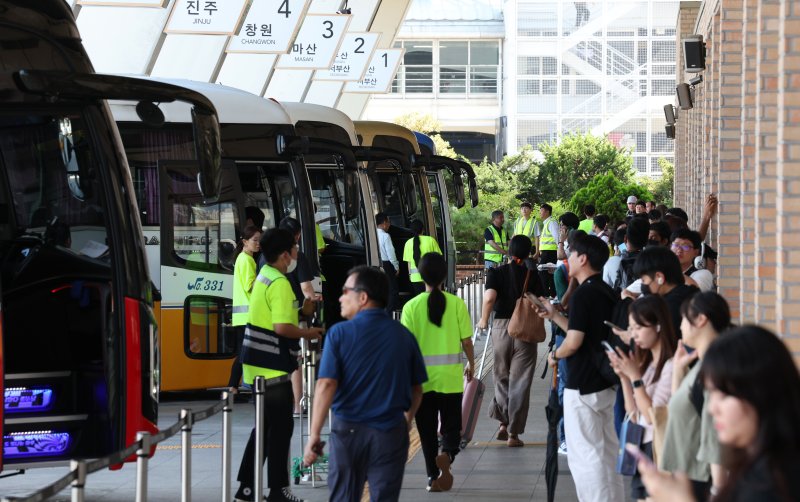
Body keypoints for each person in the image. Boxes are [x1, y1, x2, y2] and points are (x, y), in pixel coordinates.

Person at [303, 266, 427, 502]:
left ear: (362, 297)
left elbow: (326, 384)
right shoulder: (403, 335)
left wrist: (314, 435)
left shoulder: (339, 334)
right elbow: (417, 389)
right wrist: (406, 421)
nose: (340, 297)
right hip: (390, 432)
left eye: (345, 291)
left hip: (348, 433)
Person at [637, 325, 800, 502]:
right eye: (710, 394)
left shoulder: (771, 482)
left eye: (723, 395)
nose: (712, 408)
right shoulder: (758, 464)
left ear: (759, 392)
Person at [234, 228, 323, 502]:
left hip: (256, 363)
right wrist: (310, 332)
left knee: (264, 429)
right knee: (280, 429)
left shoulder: (265, 276)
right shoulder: (281, 283)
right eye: (295, 248)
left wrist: (303, 312)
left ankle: (247, 489)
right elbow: (282, 327)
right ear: (286, 254)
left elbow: (279, 317)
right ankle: (277, 490)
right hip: (272, 367)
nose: (297, 253)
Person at [538, 232, 625, 502]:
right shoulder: (605, 291)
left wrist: (555, 355)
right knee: (607, 452)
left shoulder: (583, 295)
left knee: (586, 456)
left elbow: (574, 342)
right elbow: (582, 332)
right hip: (604, 382)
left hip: (582, 385)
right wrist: (554, 316)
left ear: (583, 258)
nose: (567, 258)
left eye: (571, 253)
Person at [401, 253, 475, 492]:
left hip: (421, 382)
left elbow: (406, 347)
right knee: (452, 428)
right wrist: (471, 364)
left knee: (427, 431)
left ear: (421, 275)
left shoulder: (410, 307)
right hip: (450, 379)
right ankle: (448, 454)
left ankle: (433, 477)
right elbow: (466, 341)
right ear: (444, 275)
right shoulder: (456, 303)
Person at [659, 292, 730, 501]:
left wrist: (718, 490)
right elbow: (680, 408)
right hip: (689, 474)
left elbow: (714, 432)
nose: (680, 326)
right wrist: (679, 371)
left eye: (684, 319)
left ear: (701, 320)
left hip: (702, 480)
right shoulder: (703, 363)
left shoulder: (714, 368)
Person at [477, 235, 545, 447]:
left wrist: (483, 319)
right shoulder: (533, 274)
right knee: (521, 381)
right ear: (529, 252)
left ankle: (503, 424)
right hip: (524, 329)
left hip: (501, 328)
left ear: (509, 250)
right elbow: (542, 302)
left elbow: (489, 298)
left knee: (501, 375)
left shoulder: (496, 272)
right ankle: (514, 435)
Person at [608, 295, 677, 501]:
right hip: (642, 445)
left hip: (659, 450)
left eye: (639, 328)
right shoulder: (647, 362)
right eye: (631, 328)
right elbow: (635, 415)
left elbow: (652, 415)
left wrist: (635, 377)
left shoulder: (672, 366)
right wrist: (624, 378)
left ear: (657, 326)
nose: (634, 335)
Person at [279, 216, 320, 417]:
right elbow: (306, 288)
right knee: (295, 360)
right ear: (297, 235)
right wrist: (314, 300)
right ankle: (297, 406)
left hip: (269, 314)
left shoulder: (264, 257)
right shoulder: (297, 257)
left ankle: (279, 404)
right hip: (292, 314)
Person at [631, 246, 699, 333]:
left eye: (644, 280)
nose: (643, 285)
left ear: (659, 277)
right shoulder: (689, 294)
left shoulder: (669, 308)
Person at [228, 225, 262, 397]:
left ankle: (238, 385)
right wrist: (264, 276)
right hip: (247, 316)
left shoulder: (243, 258)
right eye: (255, 240)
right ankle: (234, 386)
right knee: (244, 352)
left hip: (242, 316)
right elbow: (251, 286)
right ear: (244, 242)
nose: (258, 244)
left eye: (259, 240)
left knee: (245, 351)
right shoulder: (247, 260)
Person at [403, 219, 442, 296]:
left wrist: (410, 275)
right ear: (423, 229)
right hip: (430, 276)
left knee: (420, 300)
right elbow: (438, 259)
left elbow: (409, 263)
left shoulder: (408, 243)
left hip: (415, 278)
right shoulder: (431, 240)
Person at [376, 212, 400, 312]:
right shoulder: (385, 236)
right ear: (384, 223)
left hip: (376, 263)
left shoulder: (372, 234)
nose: (389, 225)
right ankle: (389, 313)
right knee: (392, 290)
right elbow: (391, 254)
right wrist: (396, 266)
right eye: (388, 222)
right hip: (386, 265)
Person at [534, 203, 559, 296]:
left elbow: (557, 237)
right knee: (546, 275)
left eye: (541, 211)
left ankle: (548, 296)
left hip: (551, 253)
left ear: (547, 212)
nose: (540, 213)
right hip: (547, 253)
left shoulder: (552, 222)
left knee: (544, 275)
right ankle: (549, 295)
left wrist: (560, 250)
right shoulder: (547, 223)